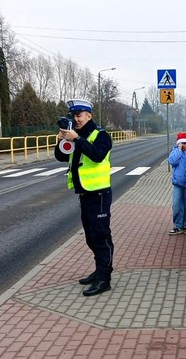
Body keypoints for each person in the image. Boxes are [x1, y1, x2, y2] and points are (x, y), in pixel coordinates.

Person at [54, 99, 114, 297]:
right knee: (90, 237)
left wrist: (77, 140)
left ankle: (104, 279)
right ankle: (99, 270)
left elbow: (97, 156)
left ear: (89, 115)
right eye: (74, 116)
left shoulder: (101, 135)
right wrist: (61, 141)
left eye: (79, 115)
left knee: (101, 236)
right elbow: (63, 157)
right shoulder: (76, 135)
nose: (76, 119)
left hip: (99, 193)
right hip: (84, 194)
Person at [169, 132, 186, 235]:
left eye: (185, 143)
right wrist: (179, 150)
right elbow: (172, 161)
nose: (184, 145)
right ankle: (177, 225)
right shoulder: (175, 152)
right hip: (178, 184)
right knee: (176, 205)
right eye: (182, 143)